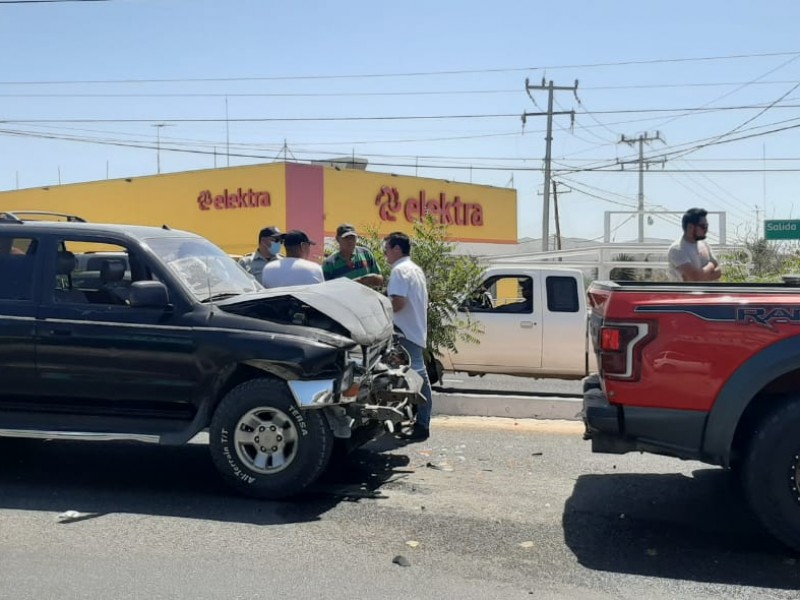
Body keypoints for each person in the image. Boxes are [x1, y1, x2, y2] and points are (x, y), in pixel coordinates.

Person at [383, 231, 433, 442]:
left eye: (386, 249)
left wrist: (381, 313)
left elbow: (399, 302)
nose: (385, 254)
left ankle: (421, 425)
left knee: (416, 378)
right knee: (412, 378)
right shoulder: (414, 269)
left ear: (396, 249)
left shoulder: (400, 271)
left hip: (403, 333)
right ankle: (416, 422)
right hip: (414, 330)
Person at [667, 208, 721, 282]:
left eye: (707, 226)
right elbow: (695, 278)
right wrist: (711, 264)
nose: (706, 230)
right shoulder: (677, 249)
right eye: (703, 226)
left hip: (708, 292)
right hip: (686, 293)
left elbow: (719, 272)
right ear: (690, 227)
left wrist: (701, 275)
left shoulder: (704, 244)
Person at [322, 224, 384, 289]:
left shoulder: (366, 254)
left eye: (352, 237)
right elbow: (327, 289)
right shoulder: (330, 263)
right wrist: (358, 282)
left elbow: (380, 279)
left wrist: (372, 279)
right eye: (346, 238)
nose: (350, 241)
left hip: (367, 298)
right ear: (337, 239)